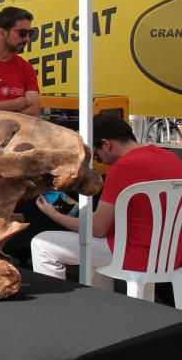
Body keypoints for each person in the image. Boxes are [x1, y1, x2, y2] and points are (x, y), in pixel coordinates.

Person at [31, 114, 182, 288]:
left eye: (97, 156)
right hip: (174, 255)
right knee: (98, 249)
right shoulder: (170, 158)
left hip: (137, 255)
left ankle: (55, 309)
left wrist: (55, 215)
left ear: (106, 144)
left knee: (42, 243)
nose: (99, 162)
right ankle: (101, 305)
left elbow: (98, 229)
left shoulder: (123, 167)